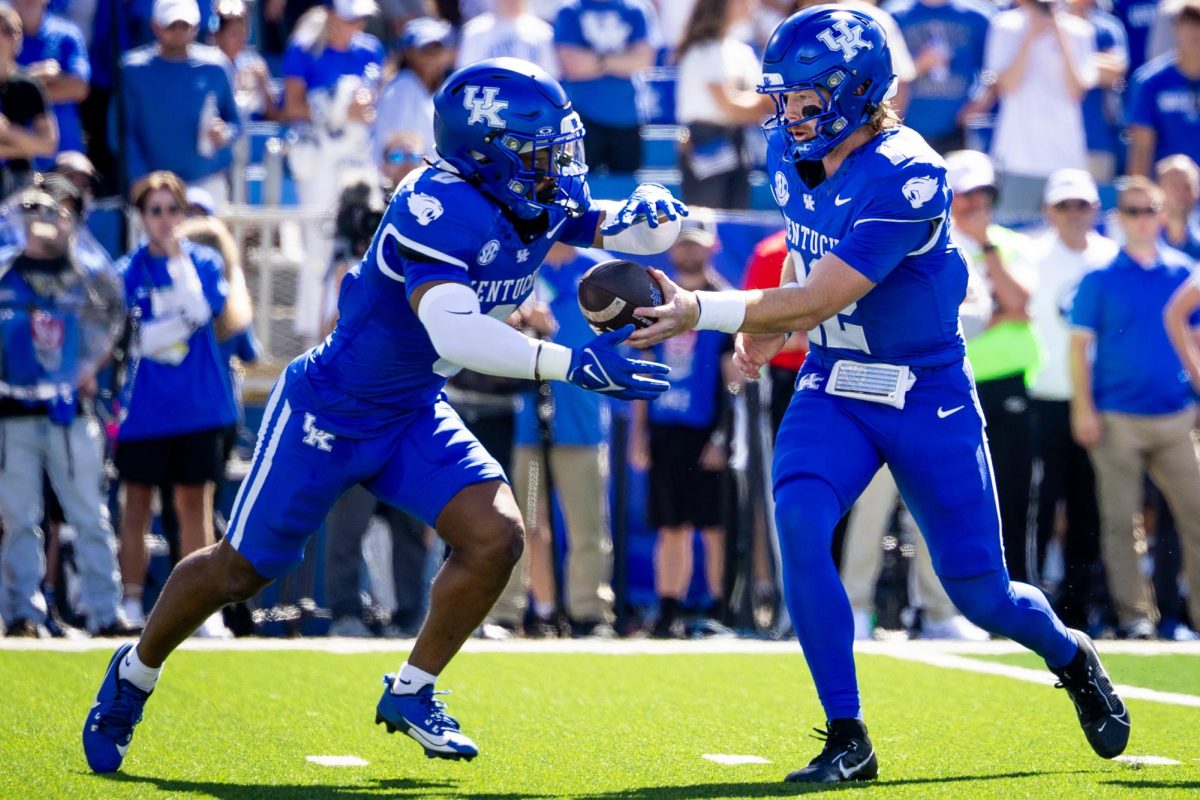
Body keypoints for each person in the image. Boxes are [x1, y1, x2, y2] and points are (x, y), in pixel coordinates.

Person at [82, 56, 686, 773]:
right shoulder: (435, 204)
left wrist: (652, 218)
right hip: (332, 410)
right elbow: (455, 332)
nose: (560, 165)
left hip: (410, 409)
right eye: (543, 150)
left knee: (495, 536)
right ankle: (135, 672)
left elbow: (614, 227)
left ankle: (413, 690)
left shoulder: (524, 187)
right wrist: (571, 364)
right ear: (490, 154)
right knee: (240, 570)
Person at [628, 7, 1129, 782]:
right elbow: (807, 261)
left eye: (803, 98)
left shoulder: (910, 172)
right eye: (781, 96)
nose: (785, 113)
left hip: (925, 391)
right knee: (798, 516)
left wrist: (712, 311)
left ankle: (1070, 654)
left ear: (856, 93)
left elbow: (828, 290)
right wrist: (771, 326)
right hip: (835, 381)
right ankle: (846, 733)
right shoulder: (787, 151)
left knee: (981, 594)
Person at [1068, 175, 1200, 640]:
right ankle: (1136, 617)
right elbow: (1079, 347)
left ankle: (1194, 617)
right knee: (1120, 521)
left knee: (1195, 513)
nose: (1142, 219)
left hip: (1177, 413)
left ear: (1163, 216)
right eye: (1132, 211)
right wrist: (1083, 409)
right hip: (1117, 415)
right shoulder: (1100, 277)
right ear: (1119, 219)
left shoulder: (1184, 271)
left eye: (1150, 210)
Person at [111, 172, 241, 638]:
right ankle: (128, 602)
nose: (165, 220)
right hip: (144, 410)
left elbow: (203, 311)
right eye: (155, 211)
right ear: (141, 217)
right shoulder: (127, 270)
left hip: (198, 407)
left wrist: (177, 264)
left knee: (193, 506)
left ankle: (202, 612)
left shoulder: (203, 261)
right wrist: (158, 332)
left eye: (172, 210)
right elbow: (126, 336)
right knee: (136, 507)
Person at [0, 186, 129, 638]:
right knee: (19, 519)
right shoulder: (5, 271)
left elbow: (114, 318)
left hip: (68, 411)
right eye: (30, 210)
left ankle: (105, 613)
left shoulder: (83, 275)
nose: (40, 220)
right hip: (12, 413)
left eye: (50, 211)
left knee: (89, 515)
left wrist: (88, 367)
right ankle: (23, 615)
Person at [489, 241, 617, 638]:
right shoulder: (521, 269)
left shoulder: (599, 271)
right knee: (523, 520)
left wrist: (553, 331)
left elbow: (616, 341)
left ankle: (589, 612)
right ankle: (508, 612)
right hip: (528, 424)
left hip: (581, 424)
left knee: (587, 526)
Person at [630, 220, 736, 638]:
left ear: (713, 245)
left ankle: (717, 608)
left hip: (706, 430)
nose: (690, 252)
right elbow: (641, 368)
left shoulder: (726, 302)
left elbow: (734, 381)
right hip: (665, 428)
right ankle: (667, 610)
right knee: (669, 526)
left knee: (712, 526)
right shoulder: (654, 300)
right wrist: (638, 434)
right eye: (683, 243)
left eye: (697, 243)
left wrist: (723, 436)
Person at [1026, 168, 1117, 631]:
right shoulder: (1032, 256)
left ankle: (1080, 608)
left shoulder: (1111, 257)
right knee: (1040, 507)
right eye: (1064, 205)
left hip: (1101, 401)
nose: (1073, 214)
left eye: (1081, 204)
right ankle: (1036, 605)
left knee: (1089, 506)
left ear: (1095, 208)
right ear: (1048, 211)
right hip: (1042, 394)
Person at [945, 149, 1039, 585]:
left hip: (1008, 385)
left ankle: (1017, 588)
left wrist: (988, 248)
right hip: (955, 384)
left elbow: (1021, 304)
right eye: (966, 196)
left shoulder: (1010, 244)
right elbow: (951, 314)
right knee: (960, 494)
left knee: (1014, 493)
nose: (976, 205)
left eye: (983, 195)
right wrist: (998, 312)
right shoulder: (935, 245)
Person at [280, 0, 385, 340]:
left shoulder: (372, 50)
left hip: (356, 157)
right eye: (349, 17)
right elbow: (291, 106)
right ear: (330, 15)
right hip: (319, 158)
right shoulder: (304, 49)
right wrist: (336, 109)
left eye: (360, 18)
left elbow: (373, 103)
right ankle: (311, 333)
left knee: (361, 240)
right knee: (319, 245)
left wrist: (361, 111)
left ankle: (350, 328)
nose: (356, 25)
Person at [983, 0, 1096, 222]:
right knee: (1013, 234)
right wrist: (1031, 35)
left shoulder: (1080, 30)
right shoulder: (1005, 26)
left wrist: (1058, 32)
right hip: (1017, 159)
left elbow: (1076, 90)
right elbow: (1007, 86)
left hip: (1065, 160)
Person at [120, 0, 241, 203]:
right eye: (171, 25)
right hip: (153, 186)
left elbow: (235, 121)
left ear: (196, 26)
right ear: (155, 26)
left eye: (185, 25)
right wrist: (141, 179)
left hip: (207, 183)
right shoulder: (132, 70)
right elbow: (122, 132)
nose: (179, 31)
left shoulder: (217, 66)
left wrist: (225, 133)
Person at [673, 0, 772, 209]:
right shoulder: (702, 50)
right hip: (704, 140)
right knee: (706, 222)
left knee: (736, 220)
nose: (750, 4)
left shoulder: (742, 52)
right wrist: (748, 104)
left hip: (738, 140)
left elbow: (766, 103)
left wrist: (743, 103)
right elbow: (732, 107)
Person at [554, 0, 657, 174]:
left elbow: (643, 61)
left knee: (626, 191)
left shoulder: (636, 9)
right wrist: (621, 60)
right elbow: (572, 65)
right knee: (579, 186)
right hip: (581, 119)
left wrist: (596, 60)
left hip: (627, 119)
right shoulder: (570, 10)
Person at [883, 0, 995, 154]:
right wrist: (918, 65)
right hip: (905, 128)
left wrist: (981, 102)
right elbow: (884, 74)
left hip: (958, 131)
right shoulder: (894, 15)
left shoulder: (977, 16)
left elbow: (993, 69)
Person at [1127, 0, 1200, 178]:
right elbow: (1141, 148)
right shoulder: (1150, 81)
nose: (1196, 32)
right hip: (1165, 198)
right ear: (1175, 27)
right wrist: (1143, 199)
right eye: (1189, 23)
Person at [11, 0, 89, 165]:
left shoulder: (67, 34)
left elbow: (79, 88)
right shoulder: (3, 37)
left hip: (64, 157)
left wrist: (18, 90)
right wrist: (36, 75)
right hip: (15, 160)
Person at [0, 5, 58, 196]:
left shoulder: (29, 87)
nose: (4, 38)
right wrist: (25, 146)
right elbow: (37, 145)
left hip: (19, 184)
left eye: (10, 31)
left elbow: (48, 145)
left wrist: (8, 131)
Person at [1156, 153, 1200, 260]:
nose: (1181, 194)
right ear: (1158, 189)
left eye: (1187, 186)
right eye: (1174, 186)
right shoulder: (1140, 237)